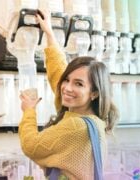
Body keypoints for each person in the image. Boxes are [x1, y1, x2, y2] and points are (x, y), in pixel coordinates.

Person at [18, 10, 119, 180]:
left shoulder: (75, 126)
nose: (66, 88)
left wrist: (29, 112)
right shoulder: (90, 119)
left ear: (94, 93)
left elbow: (31, 146)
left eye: (78, 84)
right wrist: (49, 33)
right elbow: (59, 73)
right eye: (67, 80)